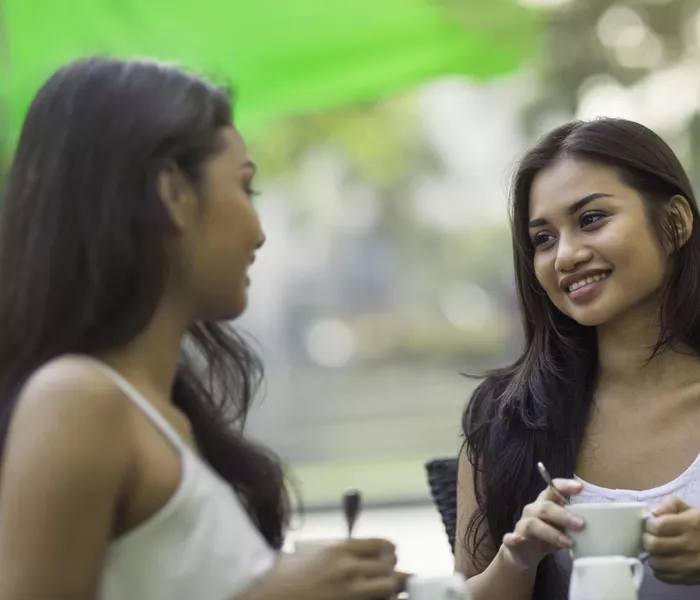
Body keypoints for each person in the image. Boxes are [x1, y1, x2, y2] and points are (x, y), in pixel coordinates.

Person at [0, 57, 403, 600]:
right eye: (245, 188)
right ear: (172, 191)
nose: (259, 233)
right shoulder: (76, 400)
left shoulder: (162, 413)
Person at [455, 118, 700, 600]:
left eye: (591, 219)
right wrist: (518, 558)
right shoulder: (505, 415)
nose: (566, 256)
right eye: (543, 239)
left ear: (676, 222)